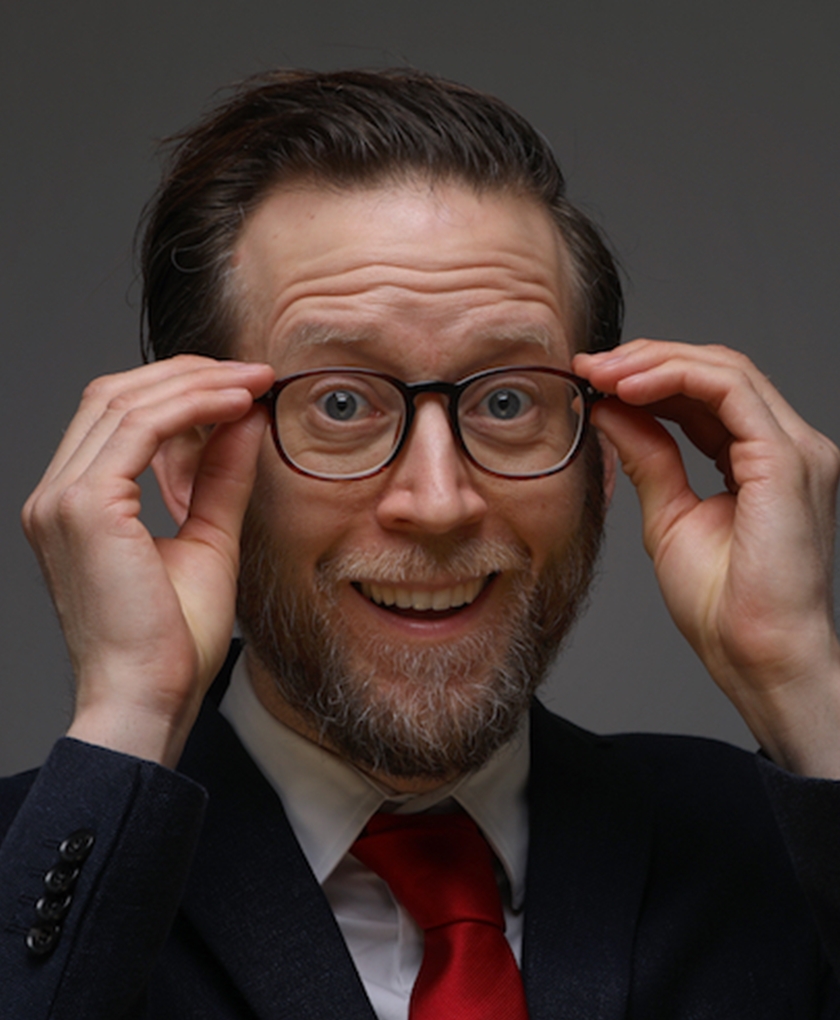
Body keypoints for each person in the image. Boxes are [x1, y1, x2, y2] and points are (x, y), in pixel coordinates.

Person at [1, 68, 839, 1019]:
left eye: (508, 401)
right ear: (189, 463)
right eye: (340, 404)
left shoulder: (778, 846)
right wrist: (132, 715)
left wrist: (801, 678)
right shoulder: (37, 868)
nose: (438, 503)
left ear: (602, 458)